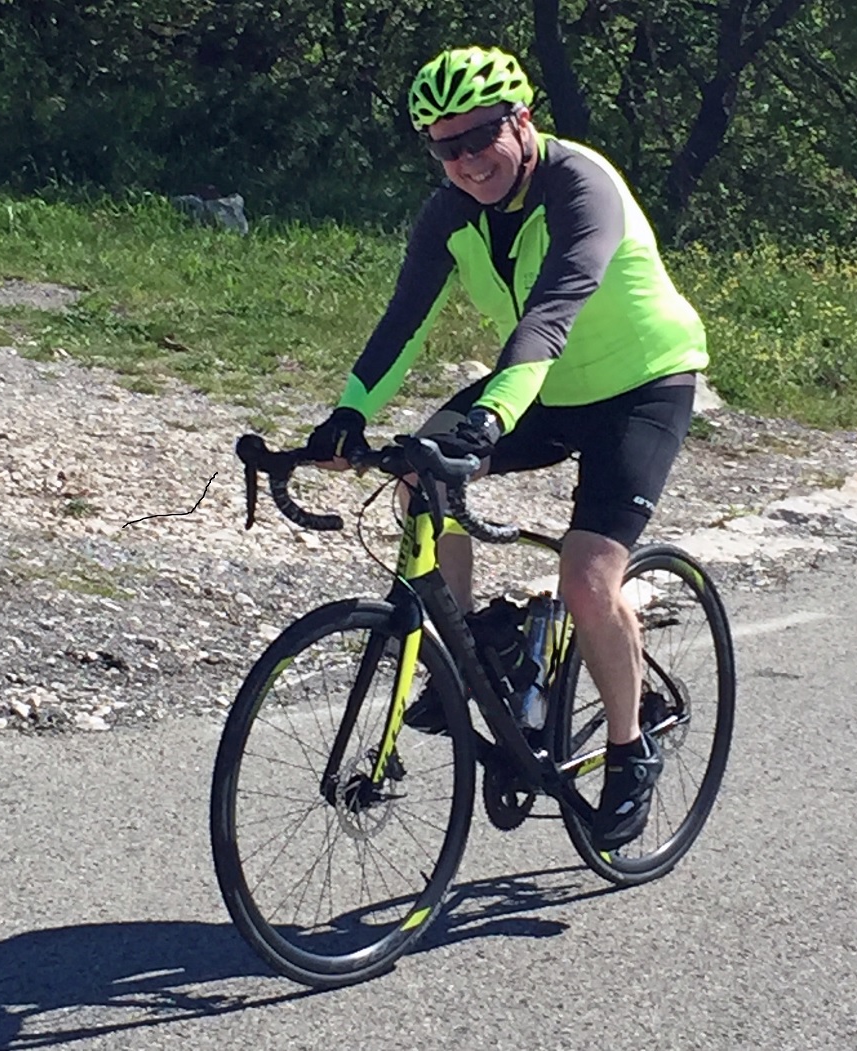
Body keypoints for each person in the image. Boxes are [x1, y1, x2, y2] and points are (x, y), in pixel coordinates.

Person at [303, 45, 708, 851]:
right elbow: (404, 322)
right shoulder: (448, 212)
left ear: (521, 121)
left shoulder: (580, 185)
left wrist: (487, 422)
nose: (464, 161)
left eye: (479, 137)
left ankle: (629, 751)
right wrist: (347, 414)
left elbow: (550, 318)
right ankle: (467, 649)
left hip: (640, 387)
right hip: (541, 388)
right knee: (422, 474)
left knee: (589, 577)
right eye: (443, 147)